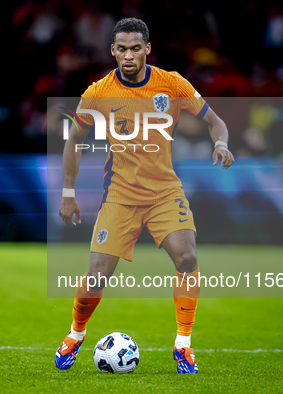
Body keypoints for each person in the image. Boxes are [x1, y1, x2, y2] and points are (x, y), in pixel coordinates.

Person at [55, 18, 234, 374]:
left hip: (165, 192)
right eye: (121, 49)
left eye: (135, 48)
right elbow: (73, 139)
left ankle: (183, 345)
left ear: (147, 49)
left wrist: (221, 143)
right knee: (95, 277)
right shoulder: (98, 92)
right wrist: (68, 193)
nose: (128, 56)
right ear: (112, 51)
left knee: (187, 257)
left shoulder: (172, 83)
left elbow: (215, 121)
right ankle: (75, 335)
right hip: (119, 195)